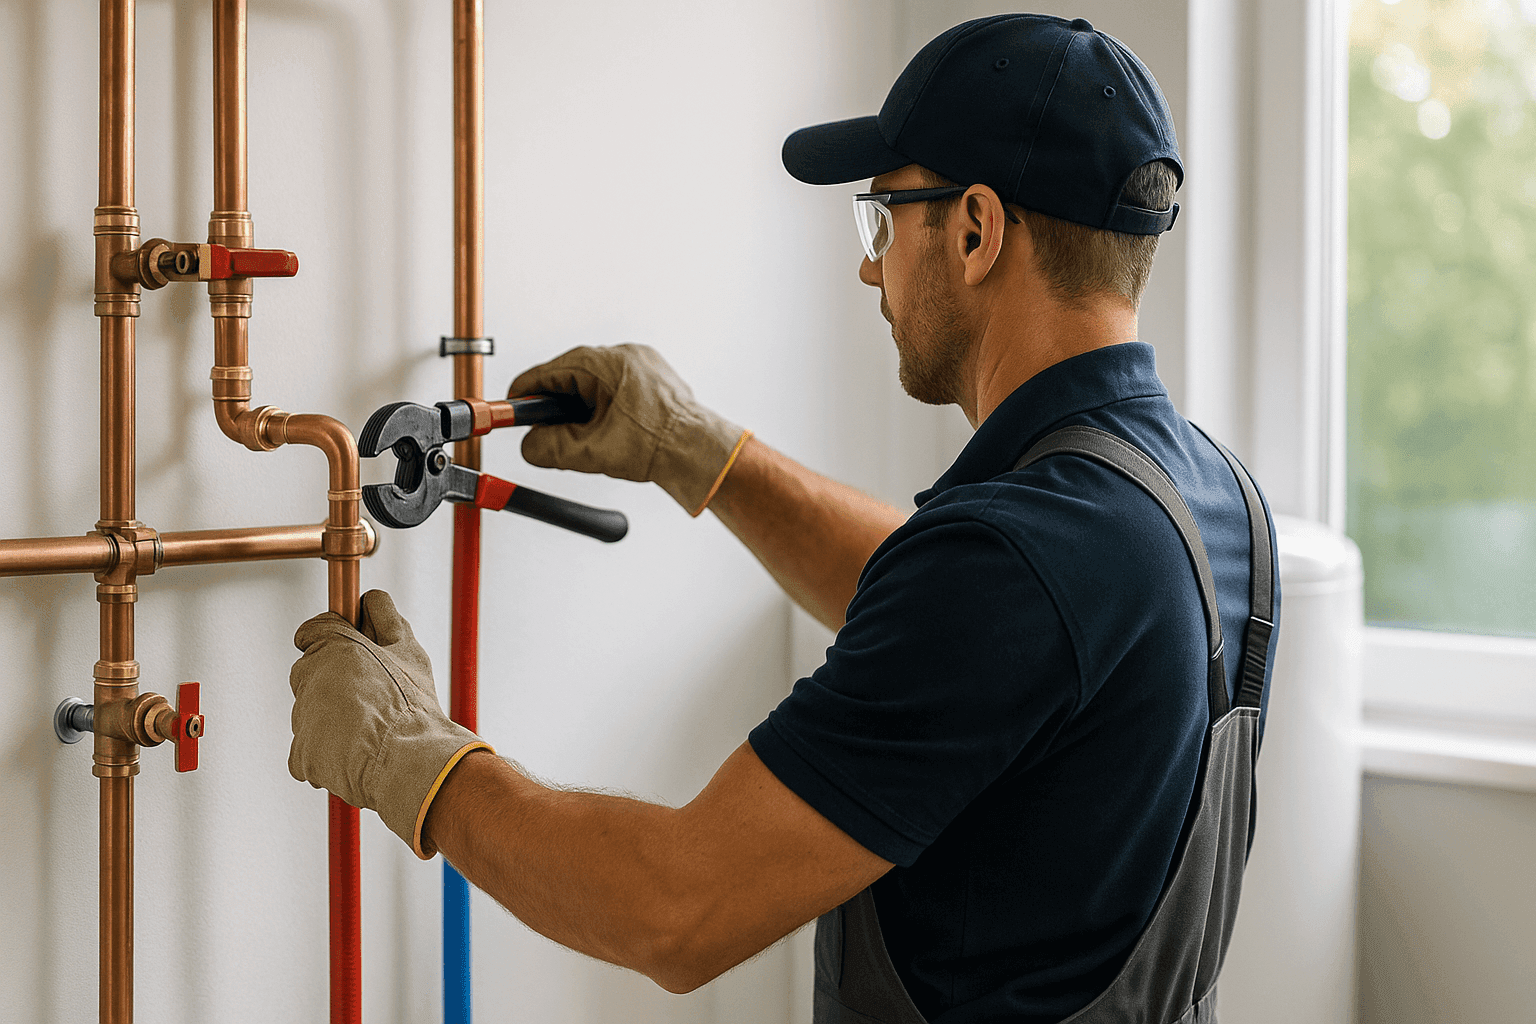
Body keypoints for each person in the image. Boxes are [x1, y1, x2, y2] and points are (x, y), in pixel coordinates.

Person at [288, 14, 1280, 1023]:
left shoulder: (1012, 565)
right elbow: (977, 643)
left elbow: (676, 908)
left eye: (884, 219)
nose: (869, 268)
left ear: (976, 231)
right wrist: (697, 448)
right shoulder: (1211, 502)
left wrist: (409, 755)